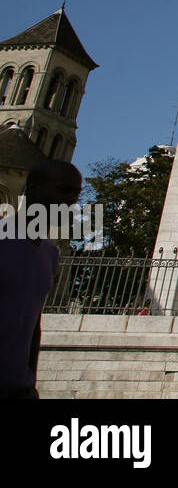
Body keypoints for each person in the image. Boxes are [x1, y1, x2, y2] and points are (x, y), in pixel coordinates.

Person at [0, 159, 81, 399]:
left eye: (76, 193)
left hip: (17, 388)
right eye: (63, 190)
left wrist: (30, 380)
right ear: (34, 188)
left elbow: (33, 324)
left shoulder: (50, 254)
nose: (71, 201)